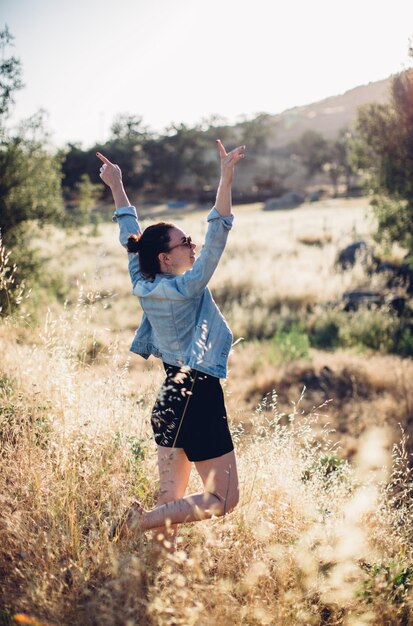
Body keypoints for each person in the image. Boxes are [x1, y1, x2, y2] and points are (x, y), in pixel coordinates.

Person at [97, 140, 246, 549]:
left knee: (171, 501)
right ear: (165, 258)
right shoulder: (186, 286)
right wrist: (226, 177)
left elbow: (131, 234)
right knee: (223, 499)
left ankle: (155, 571)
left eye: (189, 240)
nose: (193, 245)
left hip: (169, 397)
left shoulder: (142, 281)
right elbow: (219, 233)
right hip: (197, 397)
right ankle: (136, 523)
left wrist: (117, 186)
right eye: (185, 242)